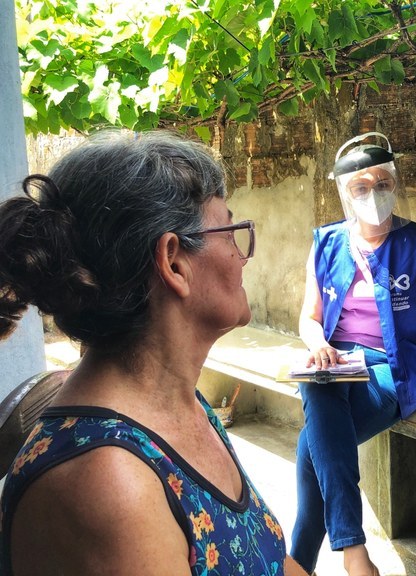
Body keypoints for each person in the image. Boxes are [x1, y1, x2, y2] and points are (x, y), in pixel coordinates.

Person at [0, 132, 308, 576]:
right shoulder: (110, 480)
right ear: (174, 263)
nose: (242, 257)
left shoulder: (180, 405)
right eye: (230, 231)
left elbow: (270, 560)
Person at [290, 132, 416, 576]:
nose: (373, 194)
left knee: (313, 447)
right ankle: (350, 554)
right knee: (318, 391)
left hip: (394, 368)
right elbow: (309, 317)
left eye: (382, 183)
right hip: (337, 361)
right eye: (360, 186)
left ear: (395, 184)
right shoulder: (327, 243)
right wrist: (319, 345)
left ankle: (312, 560)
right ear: (344, 192)